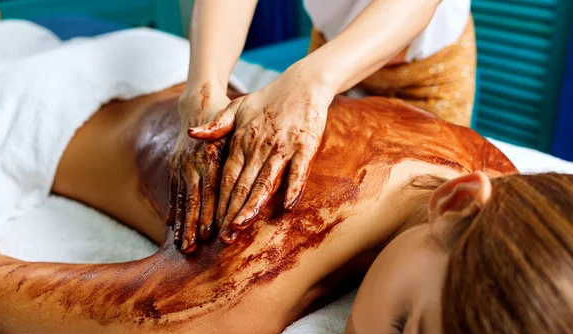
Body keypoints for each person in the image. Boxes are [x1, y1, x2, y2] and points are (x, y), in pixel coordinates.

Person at [0, 16, 572, 334]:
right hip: (31, 111)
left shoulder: (498, 179)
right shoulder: (247, 282)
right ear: (457, 204)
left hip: (150, 57)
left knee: (7, 37)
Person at [172, 0, 474, 254]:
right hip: (332, 42)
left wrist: (312, 82)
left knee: (424, 205)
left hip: (431, 65)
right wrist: (202, 86)